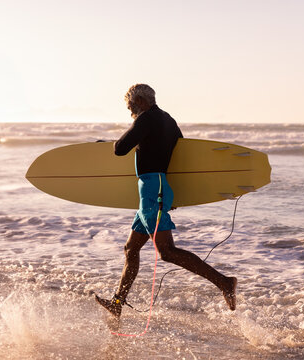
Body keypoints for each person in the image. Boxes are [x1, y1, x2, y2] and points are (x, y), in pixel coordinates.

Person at [95, 84, 237, 318]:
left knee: (167, 252)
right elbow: (180, 154)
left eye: (130, 105)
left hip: (153, 191)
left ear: (140, 100)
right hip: (155, 190)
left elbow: (120, 149)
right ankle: (118, 303)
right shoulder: (168, 120)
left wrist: (109, 144)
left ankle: (224, 282)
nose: (129, 110)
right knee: (131, 249)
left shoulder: (145, 119)